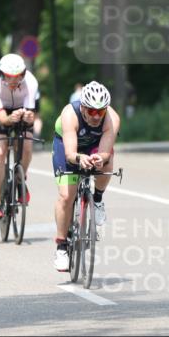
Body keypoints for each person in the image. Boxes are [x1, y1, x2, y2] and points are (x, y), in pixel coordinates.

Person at [51, 81, 121, 272]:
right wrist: (80, 158)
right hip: (68, 146)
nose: (97, 116)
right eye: (91, 111)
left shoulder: (112, 119)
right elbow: (70, 154)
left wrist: (100, 158)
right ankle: (61, 246)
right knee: (66, 196)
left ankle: (97, 198)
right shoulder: (69, 114)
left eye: (101, 111)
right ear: (82, 107)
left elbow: (106, 151)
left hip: (94, 144)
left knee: (108, 162)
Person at [0, 53, 39, 219]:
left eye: (18, 76)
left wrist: (29, 117)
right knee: (0, 151)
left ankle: (19, 179)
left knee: (27, 145)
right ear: (2, 75)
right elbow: (1, 118)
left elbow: (31, 114)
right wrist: (10, 118)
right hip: (3, 112)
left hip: (22, 109)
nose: (15, 81)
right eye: (9, 77)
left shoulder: (31, 81)